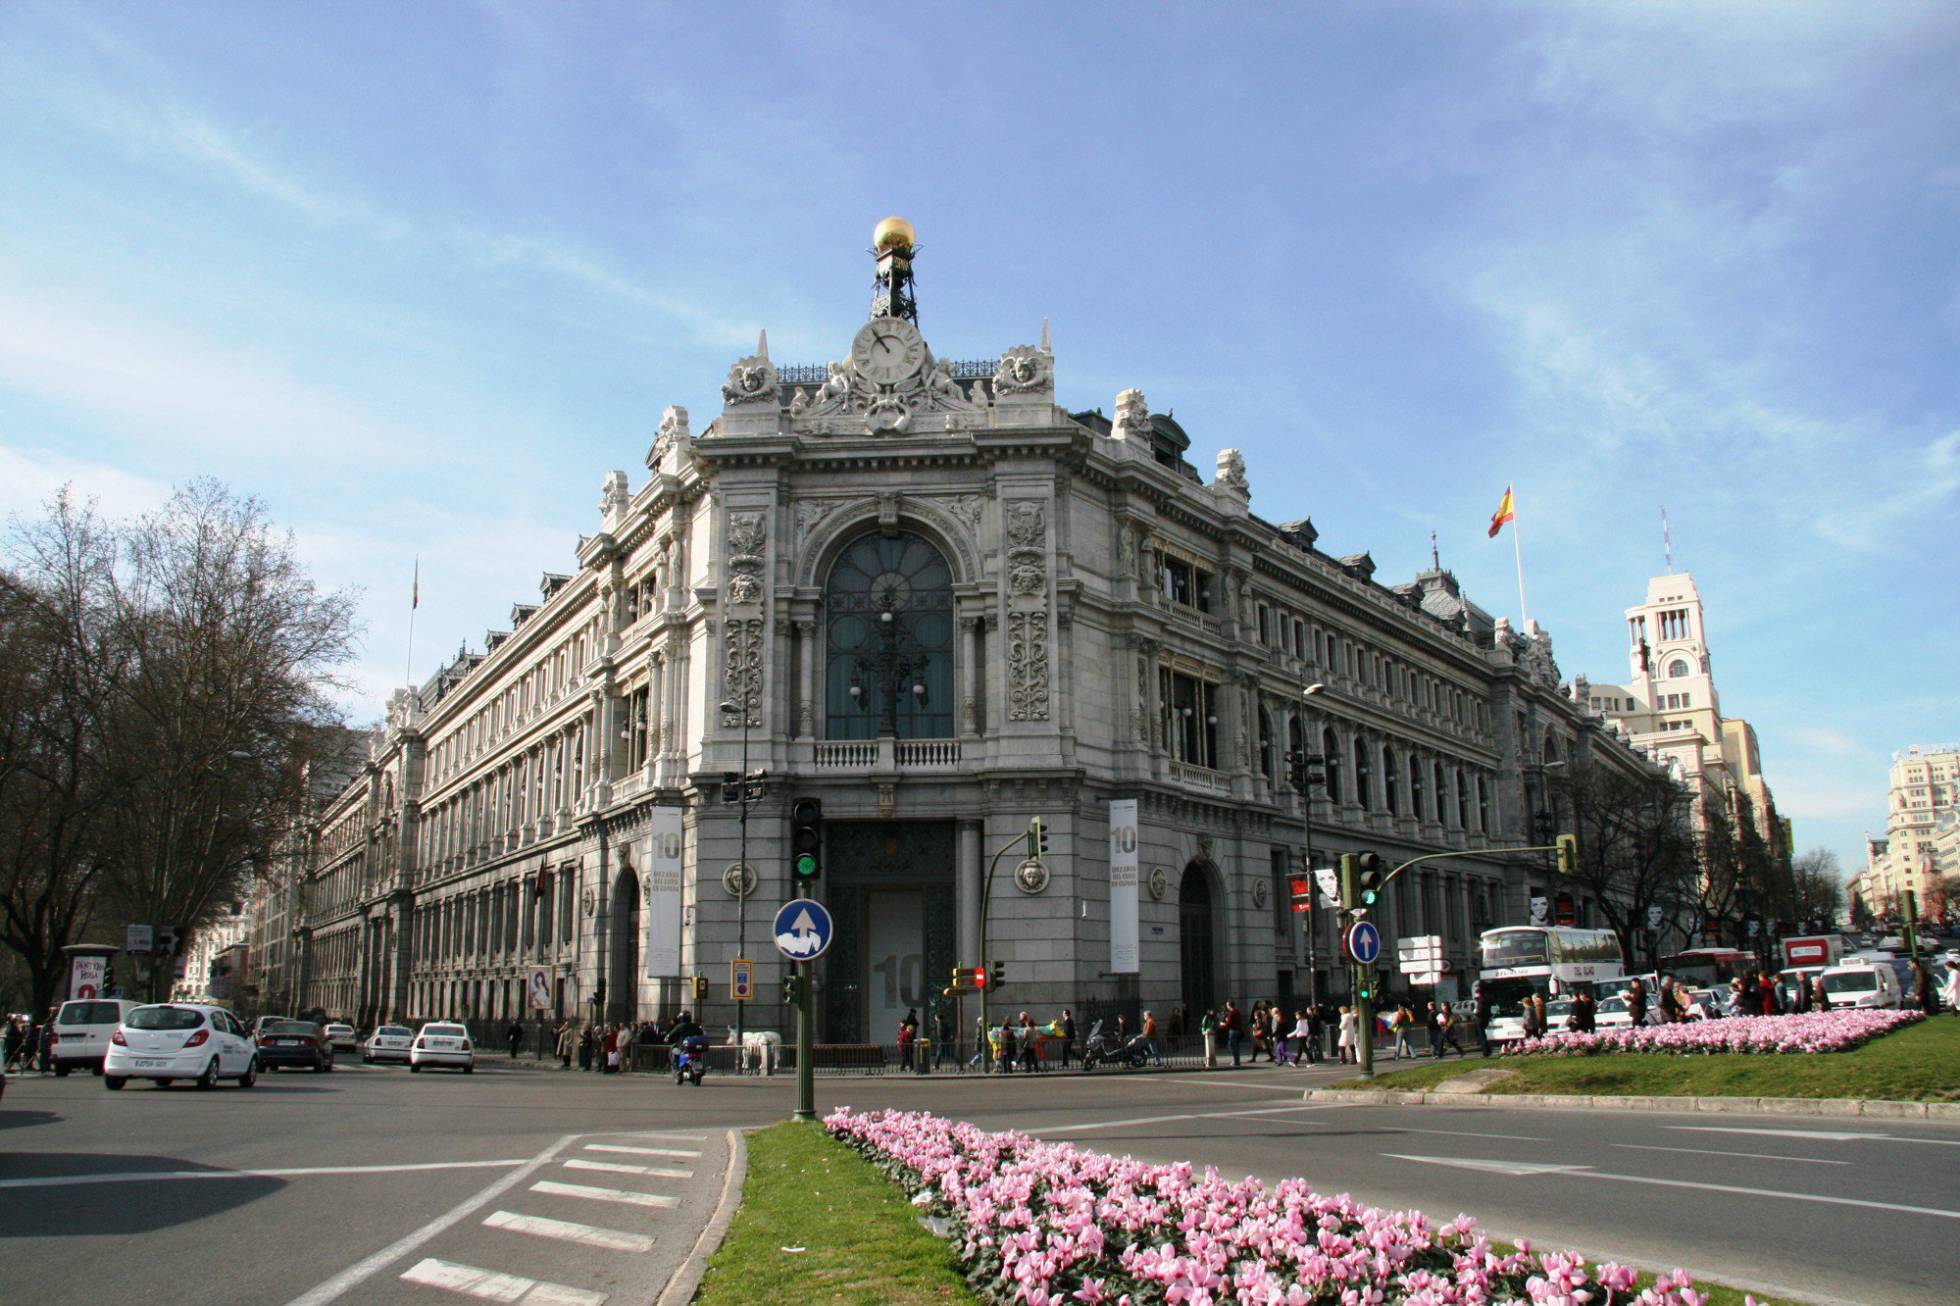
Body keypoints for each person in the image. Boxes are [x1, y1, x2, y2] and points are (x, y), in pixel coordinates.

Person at [1473, 983, 1493, 1058]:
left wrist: (1475, 1011)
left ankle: (1486, 1051)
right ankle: (1488, 1049)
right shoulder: (1486, 1000)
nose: (1475, 995)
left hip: (1480, 1020)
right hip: (1485, 1019)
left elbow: (1479, 1011)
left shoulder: (1481, 1001)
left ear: (1479, 994)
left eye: (1476, 994)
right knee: (1483, 1035)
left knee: (1481, 1036)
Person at [1223, 1001, 1245, 1067]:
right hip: (1238, 1030)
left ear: (1229, 1005)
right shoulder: (1237, 1011)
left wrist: (1223, 1024)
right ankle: (1236, 1060)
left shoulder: (1232, 1012)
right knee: (1236, 1046)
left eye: (1227, 1005)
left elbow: (1229, 1023)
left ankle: (1236, 1061)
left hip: (1233, 1031)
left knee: (1232, 1046)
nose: (1226, 1006)